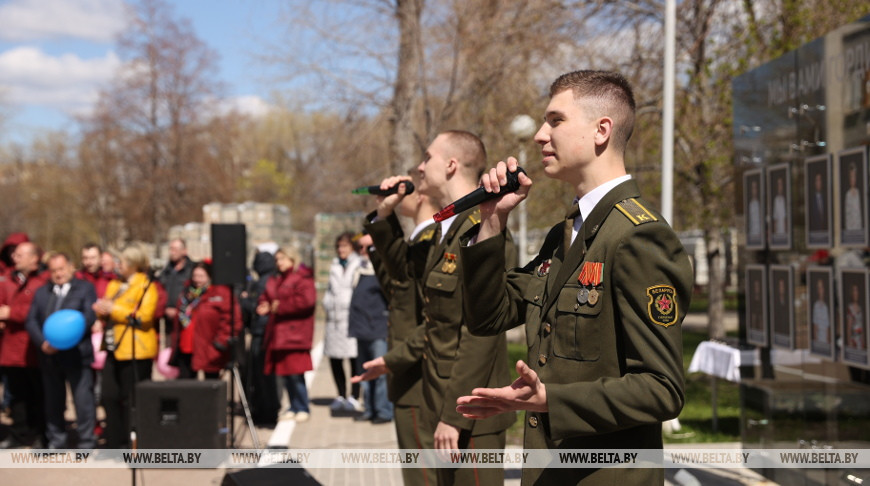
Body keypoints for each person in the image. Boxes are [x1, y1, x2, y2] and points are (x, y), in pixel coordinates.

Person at [453, 70, 694, 485]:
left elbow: (662, 388)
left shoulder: (639, 236)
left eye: (556, 120)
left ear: (602, 130)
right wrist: (492, 222)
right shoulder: (566, 232)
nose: (540, 136)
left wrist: (551, 400)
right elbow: (489, 317)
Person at [357, 129, 517, 486]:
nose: (418, 166)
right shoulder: (449, 227)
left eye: (427, 157)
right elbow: (403, 273)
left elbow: (481, 333)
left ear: (451, 165)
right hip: (438, 400)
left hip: (467, 411)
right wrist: (384, 213)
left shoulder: (484, 226)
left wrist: (458, 414)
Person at [366, 172, 440, 486]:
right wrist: (383, 217)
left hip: (420, 374)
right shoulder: (418, 241)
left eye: (415, 178)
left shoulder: (434, 240)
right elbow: (397, 288)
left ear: (420, 193)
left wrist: (392, 359)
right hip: (411, 373)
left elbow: (441, 320)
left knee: (424, 474)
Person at [25, 252, 98, 449]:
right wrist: (43, 343)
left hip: (77, 355)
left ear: (71, 267)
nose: (58, 274)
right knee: (53, 401)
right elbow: (31, 320)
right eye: (54, 270)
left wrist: (65, 339)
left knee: (83, 401)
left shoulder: (85, 289)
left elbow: (89, 316)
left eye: (61, 269)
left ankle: (86, 442)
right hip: (49, 356)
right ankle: (57, 440)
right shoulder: (42, 293)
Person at [92, 245, 159, 449]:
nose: (117, 265)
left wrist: (115, 309)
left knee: (132, 400)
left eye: (121, 262)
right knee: (108, 396)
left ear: (133, 264)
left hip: (135, 350)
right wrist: (101, 309)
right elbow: (107, 309)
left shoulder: (146, 286)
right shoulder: (114, 285)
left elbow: (144, 317)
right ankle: (115, 440)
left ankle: (135, 444)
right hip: (113, 347)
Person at [0, 241, 49, 448]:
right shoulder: (7, 280)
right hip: (11, 347)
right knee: (17, 395)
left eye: (20, 255)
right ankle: (18, 434)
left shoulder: (42, 282)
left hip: (33, 347)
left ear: (34, 258)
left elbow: (39, 311)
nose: (14, 258)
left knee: (39, 394)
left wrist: (12, 313)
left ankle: (41, 434)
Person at [259, 246, 316, 423]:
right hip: (280, 335)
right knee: (285, 373)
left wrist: (279, 306)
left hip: (294, 335)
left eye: (282, 259)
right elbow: (268, 297)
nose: (279, 263)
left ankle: (302, 406)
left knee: (296, 374)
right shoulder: (278, 279)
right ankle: (293, 405)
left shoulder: (301, 278)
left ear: (292, 259)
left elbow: (306, 302)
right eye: (277, 260)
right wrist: (265, 305)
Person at [348, 233, 393, 424]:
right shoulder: (359, 270)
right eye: (361, 248)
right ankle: (370, 409)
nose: (364, 252)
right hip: (361, 330)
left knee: (380, 373)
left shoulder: (384, 270)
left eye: (369, 247)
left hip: (378, 330)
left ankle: (383, 411)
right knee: (364, 373)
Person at [170, 261, 240, 379]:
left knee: (210, 382)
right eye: (195, 276)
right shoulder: (187, 293)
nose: (197, 280)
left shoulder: (219, 293)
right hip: (187, 345)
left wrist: (221, 342)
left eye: (201, 276)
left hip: (209, 348)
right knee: (186, 383)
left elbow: (232, 319)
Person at [321, 232, 362, 413]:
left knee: (354, 359)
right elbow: (330, 289)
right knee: (335, 359)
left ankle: (354, 396)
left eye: (344, 246)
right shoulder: (334, 265)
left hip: (352, 317)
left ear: (352, 247)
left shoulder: (358, 263)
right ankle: (340, 394)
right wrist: (327, 303)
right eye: (338, 246)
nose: (341, 250)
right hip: (334, 319)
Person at [240, 250, 281, 425]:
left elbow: (257, 308)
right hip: (265, 332)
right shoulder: (273, 279)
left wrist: (244, 300)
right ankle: (268, 410)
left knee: (260, 376)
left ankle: (264, 412)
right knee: (266, 376)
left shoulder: (263, 283)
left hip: (261, 334)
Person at [158, 238, 194, 325]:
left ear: (184, 251)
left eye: (175, 249)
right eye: (171, 249)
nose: (172, 252)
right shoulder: (166, 270)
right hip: (166, 316)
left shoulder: (192, 270)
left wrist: (178, 309)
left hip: (185, 317)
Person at [810, 277, 830, 355]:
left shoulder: (826, 306)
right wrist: (816, 341)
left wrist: (828, 341)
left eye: (821, 287)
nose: (820, 290)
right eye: (818, 288)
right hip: (819, 339)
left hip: (826, 340)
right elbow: (815, 325)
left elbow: (828, 326)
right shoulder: (816, 305)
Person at [846, 283, 865, 350]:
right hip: (853, 340)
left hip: (860, 339)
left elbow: (861, 326)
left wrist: (863, 340)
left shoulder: (860, 308)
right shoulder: (850, 308)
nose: (855, 293)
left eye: (856, 290)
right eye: (854, 290)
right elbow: (849, 329)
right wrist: (849, 342)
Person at [844, 162, 862, 232]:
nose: (852, 179)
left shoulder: (858, 193)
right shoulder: (847, 195)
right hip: (850, 230)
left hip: (859, 229)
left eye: (854, 176)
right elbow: (847, 216)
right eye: (851, 176)